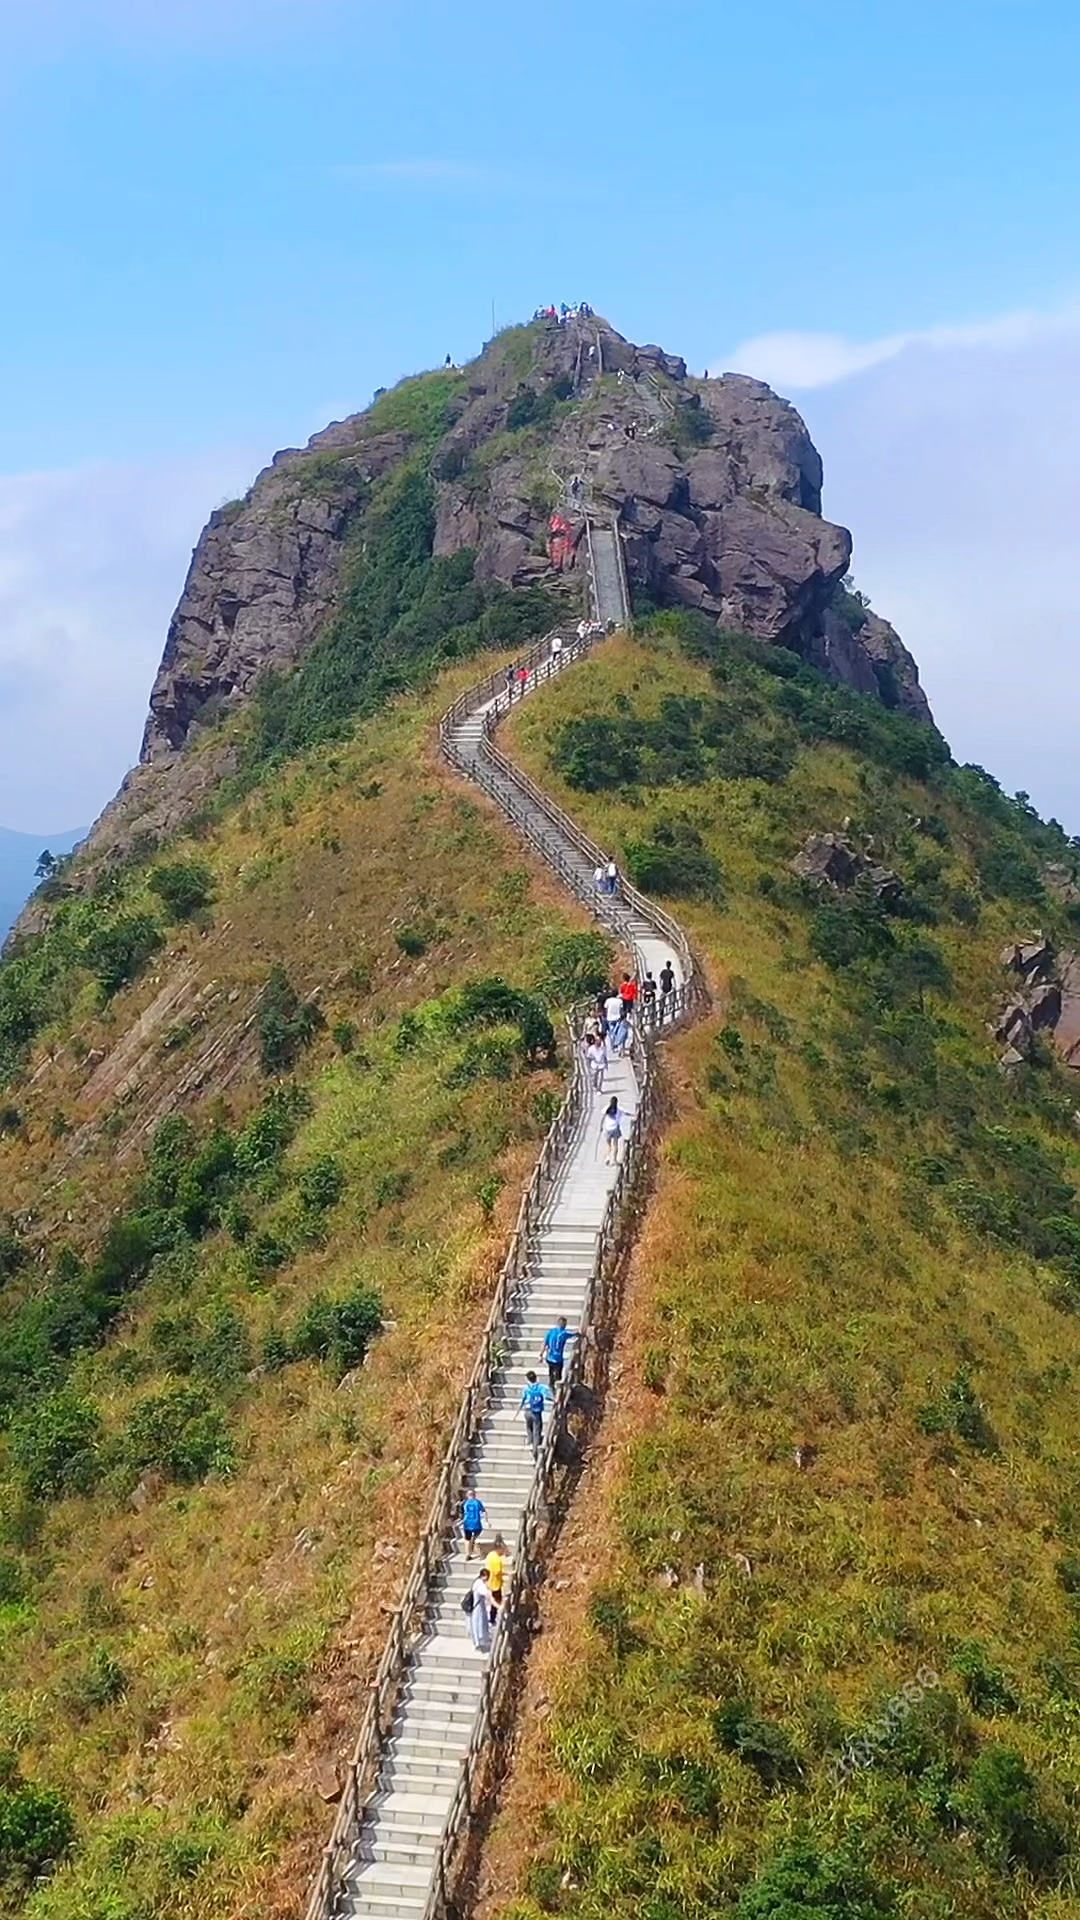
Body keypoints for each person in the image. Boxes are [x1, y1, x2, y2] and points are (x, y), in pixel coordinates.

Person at [520, 1371, 553, 1458]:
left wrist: (520, 1406)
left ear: (527, 1379)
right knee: (537, 1430)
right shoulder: (541, 1387)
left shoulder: (526, 1389)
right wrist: (553, 1400)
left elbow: (523, 1398)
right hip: (536, 1412)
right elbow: (546, 1396)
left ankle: (530, 1442)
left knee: (529, 1427)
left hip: (527, 1410)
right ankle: (535, 1449)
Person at [542, 1316, 577, 1391]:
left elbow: (545, 1343)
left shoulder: (551, 1332)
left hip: (550, 1357)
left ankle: (551, 1384)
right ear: (563, 1324)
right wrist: (578, 1333)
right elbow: (573, 1334)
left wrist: (541, 1354)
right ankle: (558, 1389)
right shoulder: (564, 1333)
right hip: (558, 1358)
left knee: (551, 1371)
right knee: (558, 1374)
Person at [467, 1567, 493, 1651]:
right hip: (478, 1608)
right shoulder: (480, 1584)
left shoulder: (477, 1582)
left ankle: (479, 1641)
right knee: (478, 1624)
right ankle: (478, 1643)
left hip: (478, 1607)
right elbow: (486, 1594)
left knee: (478, 1624)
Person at [600, 1096, 628, 1166]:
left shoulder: (607, 1109)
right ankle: (614, 1160)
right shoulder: (618, 1110)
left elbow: (603, 1117)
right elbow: (625, 1113)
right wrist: (633, 1115)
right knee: (615, 1145)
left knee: (608, 1145)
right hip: (615, 1129)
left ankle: (607, 1158)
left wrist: (601, 1126)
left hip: (608, 1129)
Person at [485, 1536, 507, 1614]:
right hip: (495, 1584)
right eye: (502, 1549)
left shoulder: (490, 1555)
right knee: (496, 1602)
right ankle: (496, 1616)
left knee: (492, 1603)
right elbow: (497, 1572)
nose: (503, 1551)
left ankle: (493, 1616)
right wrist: (507, 1574)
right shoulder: (497, 1559)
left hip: (490, 1581)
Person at [462, 1491, 486, 1560]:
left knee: (467, 1539)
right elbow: (483, 1512)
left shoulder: (465, 1503)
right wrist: (486, 1521)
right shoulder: (478, 1502)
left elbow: (462, 1513)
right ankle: (477, 1548)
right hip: (476, 1524)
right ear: (475, 1495)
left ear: (467, 1495)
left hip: (467, 1524)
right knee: (475, 1537)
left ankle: (468, 1554)